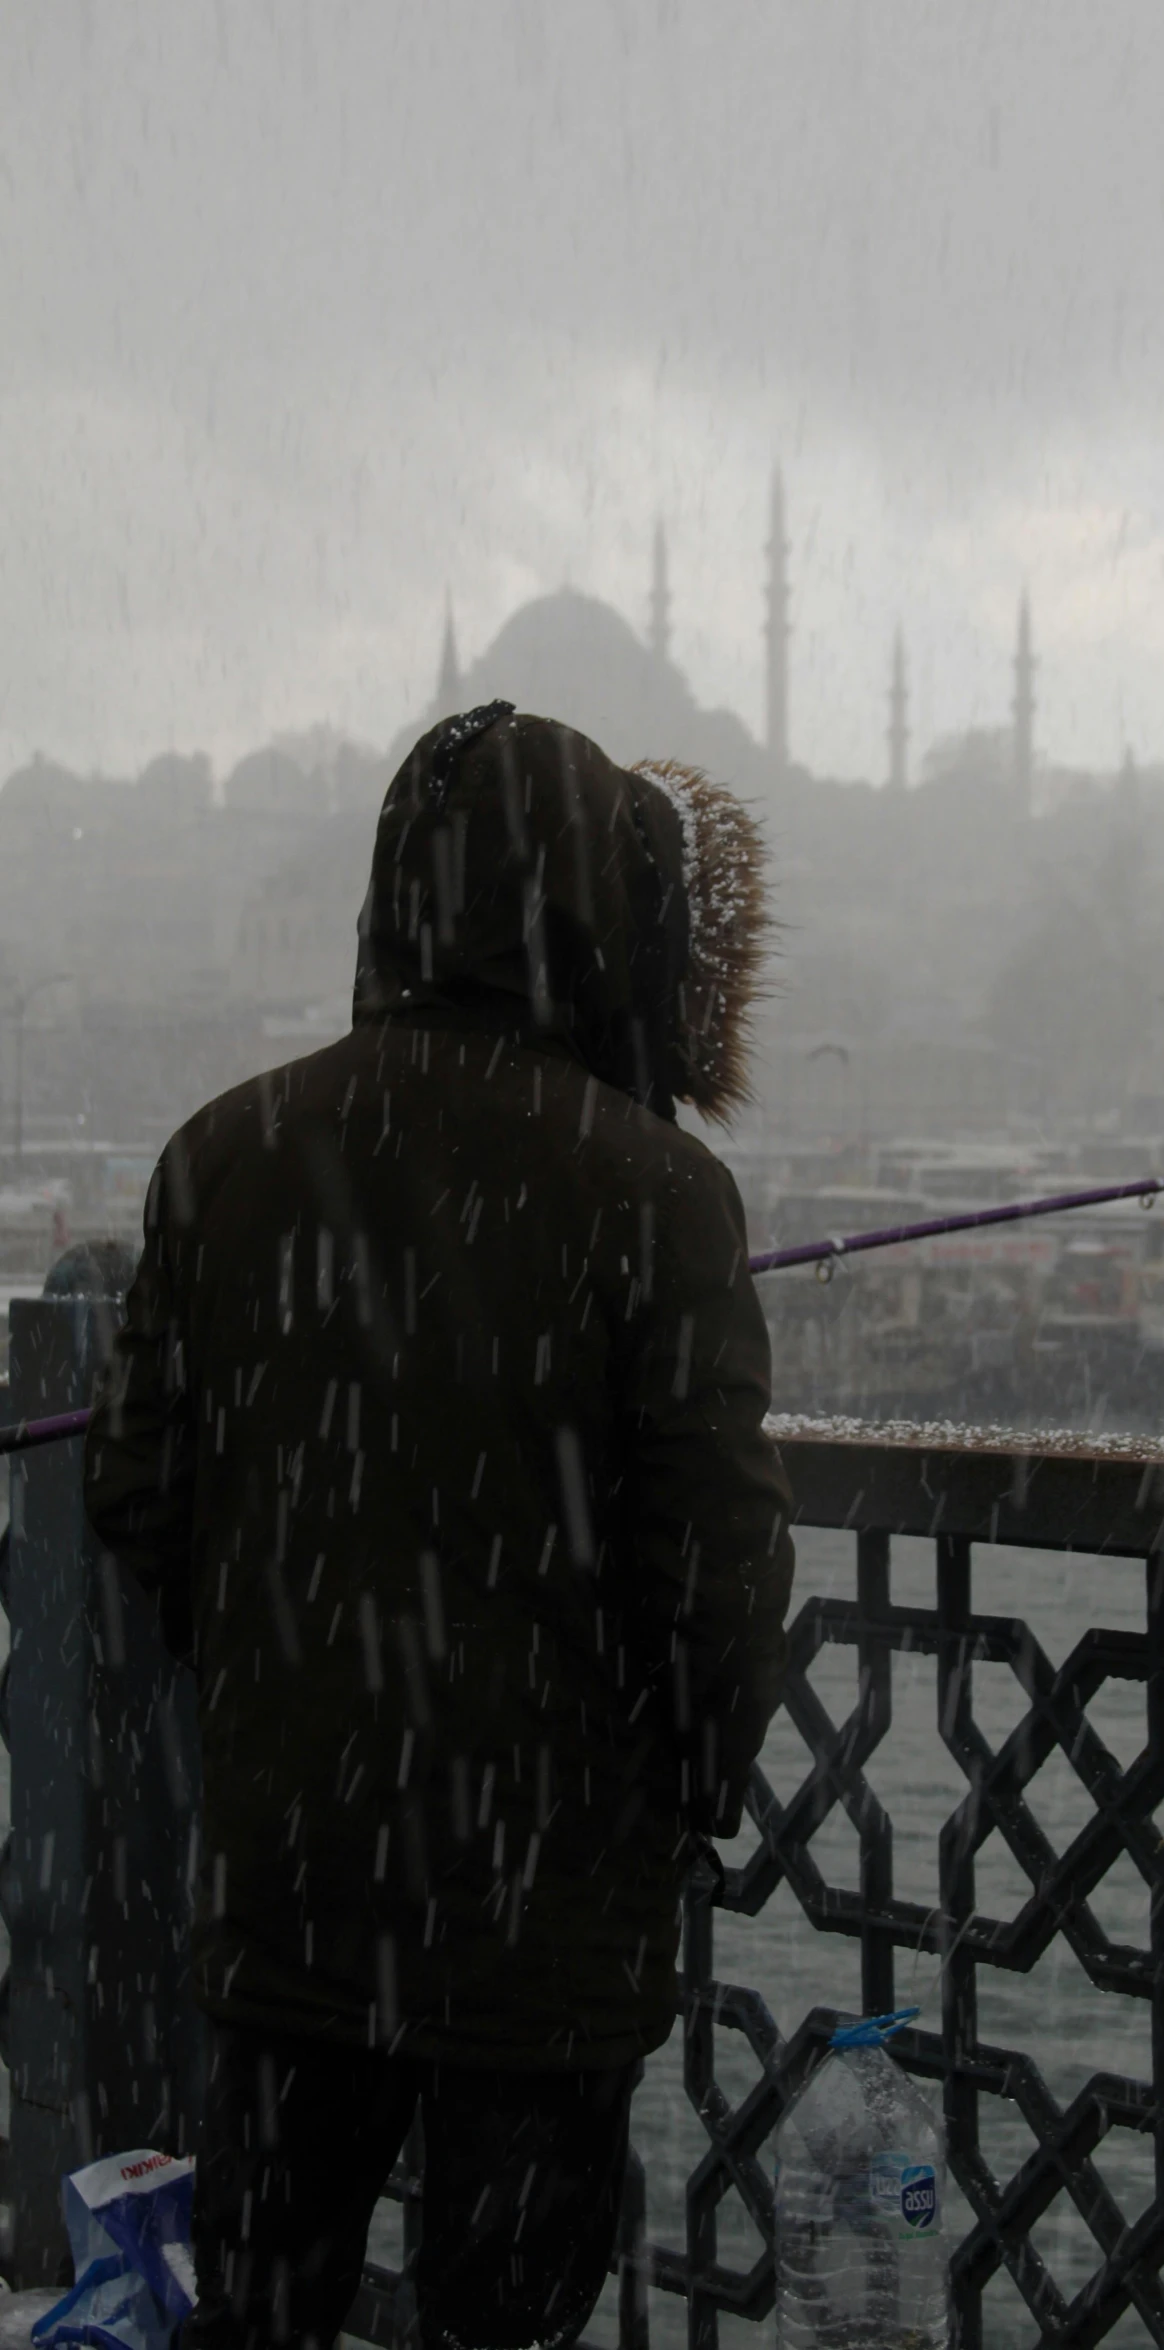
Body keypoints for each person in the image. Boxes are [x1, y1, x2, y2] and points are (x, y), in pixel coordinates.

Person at [83, 705, 794, 2350]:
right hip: (538, 1925)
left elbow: (133, 1485)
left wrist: (276, 1670)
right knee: (503, 2318)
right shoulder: (655, 1196)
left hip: (293, 1894)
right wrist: (681, 1779)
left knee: (266, 2304)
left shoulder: (227, 1152)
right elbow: (722, 1568)